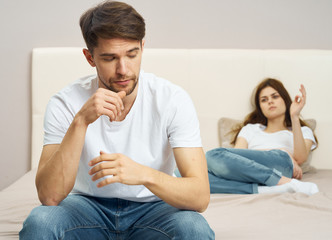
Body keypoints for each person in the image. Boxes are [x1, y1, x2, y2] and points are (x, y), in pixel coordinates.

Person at [20, 1, 214, 239]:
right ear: (90, 58)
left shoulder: (172, 100)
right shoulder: (65, 102)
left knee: (194, 228)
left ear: (143, 47)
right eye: (110, 58)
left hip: (154, 209)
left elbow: (200, 196)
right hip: (86, 208)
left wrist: (143, 174)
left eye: (132, 54)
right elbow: (49, 196)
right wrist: (80, 121)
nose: (123, 69)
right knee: (40, 221)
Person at [206, 78, 319, 195]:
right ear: (260, 107)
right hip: (249, 170)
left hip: (280, 164)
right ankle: (266, 189)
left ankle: (281, 180)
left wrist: (294, 116)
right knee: (203, 178)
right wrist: (281, 149)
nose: (270, 101)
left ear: (285, 100)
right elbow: (234, 157)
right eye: (264, 100)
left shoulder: (302, 130)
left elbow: (300, 158)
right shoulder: (250, 129)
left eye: (275, 97)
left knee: (212, 154)